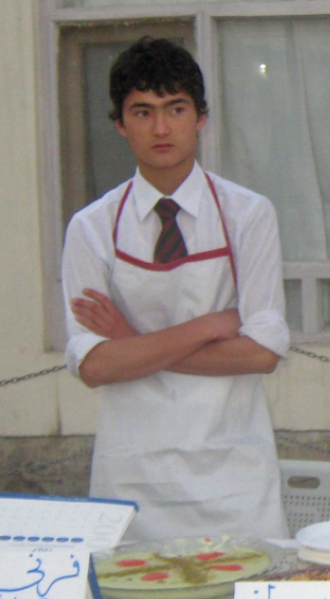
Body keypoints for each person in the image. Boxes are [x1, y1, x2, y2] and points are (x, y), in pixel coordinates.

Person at [62, 37, 291, 540]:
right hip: (134, 476)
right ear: (120, 125)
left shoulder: (247, 215)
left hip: (234, 475)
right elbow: (96, 367)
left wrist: (129, 340)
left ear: (201, 117)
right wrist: (210, 326)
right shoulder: (91, 227)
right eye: (142, 112)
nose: (161, 128)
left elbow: (261, 355)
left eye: (176, 108)